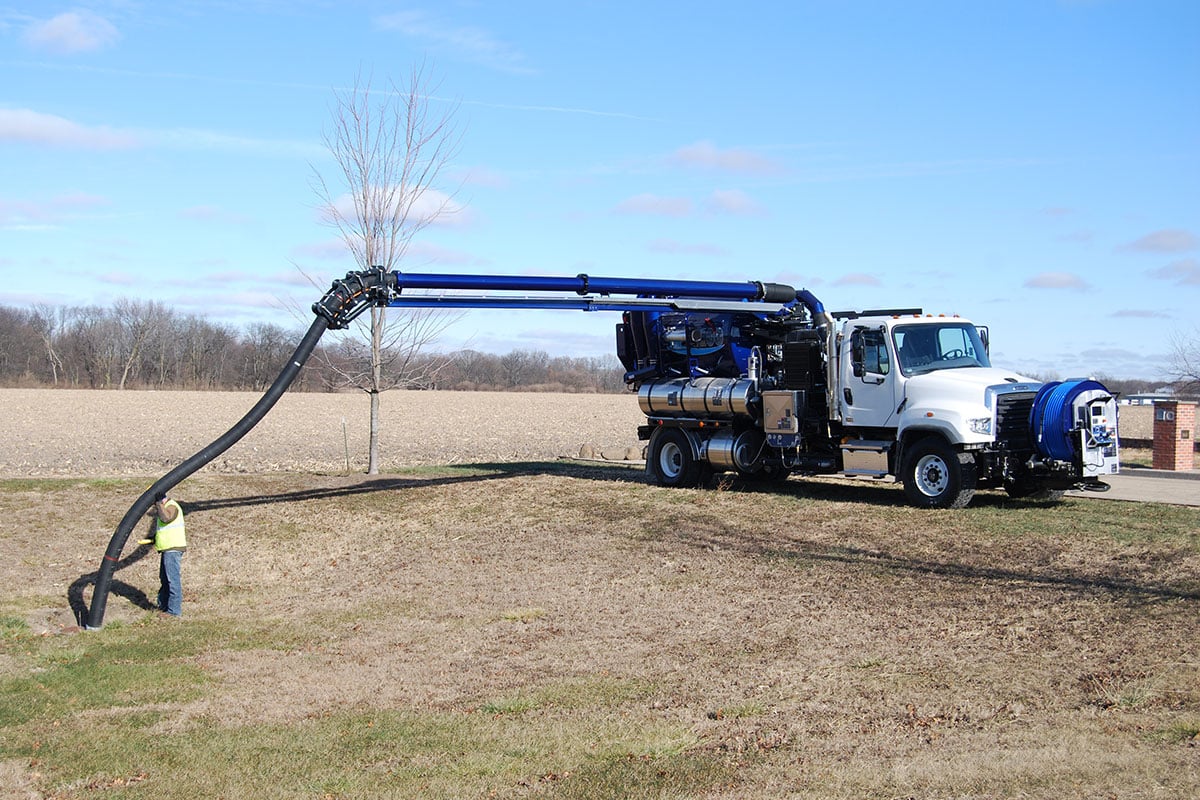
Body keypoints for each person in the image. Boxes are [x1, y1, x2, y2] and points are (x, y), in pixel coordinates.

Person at [139, 494, 187, 617]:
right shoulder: (167, 506)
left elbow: (166, 518)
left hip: (173, 549)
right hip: (167, 548)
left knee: (172, 580)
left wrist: (159, 503)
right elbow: (167, 528)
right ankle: (164, 607)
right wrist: (154, 538)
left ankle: (174, 611)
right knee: (165, 579)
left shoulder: (171, 506)